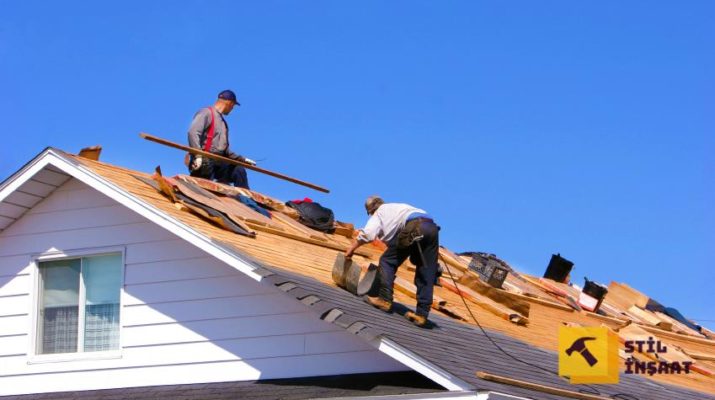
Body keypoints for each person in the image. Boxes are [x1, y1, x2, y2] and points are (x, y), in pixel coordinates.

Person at [345, 196, 440, 327]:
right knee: (426, 269)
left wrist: (351, 248)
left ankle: (384, 299)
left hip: (415, 227)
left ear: (371, 210)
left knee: (387, 261)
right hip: (431, 228)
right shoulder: (396, 208)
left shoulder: (379, 213)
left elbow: (368, 234)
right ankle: (422, 314)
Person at [187, 90, 255, 188]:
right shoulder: (207, 112)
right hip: (204, 160)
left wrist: (242, 159)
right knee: (204, 187)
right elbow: (193, 132)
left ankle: (245, 198)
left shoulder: (223, 124)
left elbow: (225, 150)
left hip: (218, 162)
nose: (232, 109)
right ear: (229, 103)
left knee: (238, 170)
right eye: (233, 106)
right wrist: (198, 155)